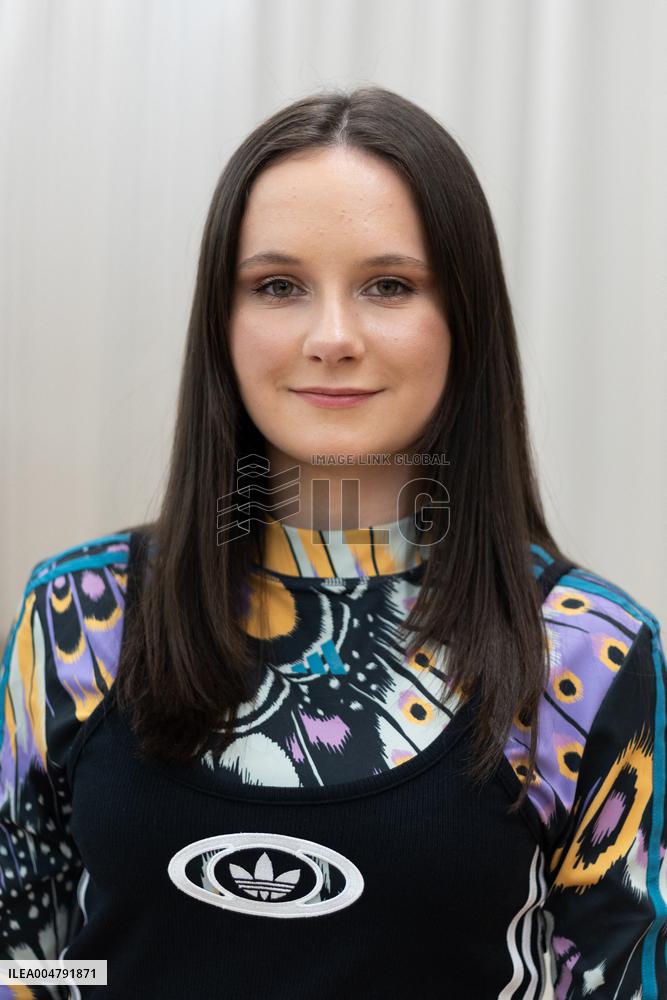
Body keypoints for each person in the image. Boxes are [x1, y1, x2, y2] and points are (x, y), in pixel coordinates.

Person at [1, 85, 665, 1000]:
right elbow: (28, 951)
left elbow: (610, 978)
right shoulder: (81, 614)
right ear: (222, 323)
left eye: (388, 285)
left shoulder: (587, 651)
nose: (331, 337)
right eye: (278, 286)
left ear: (462, 321)